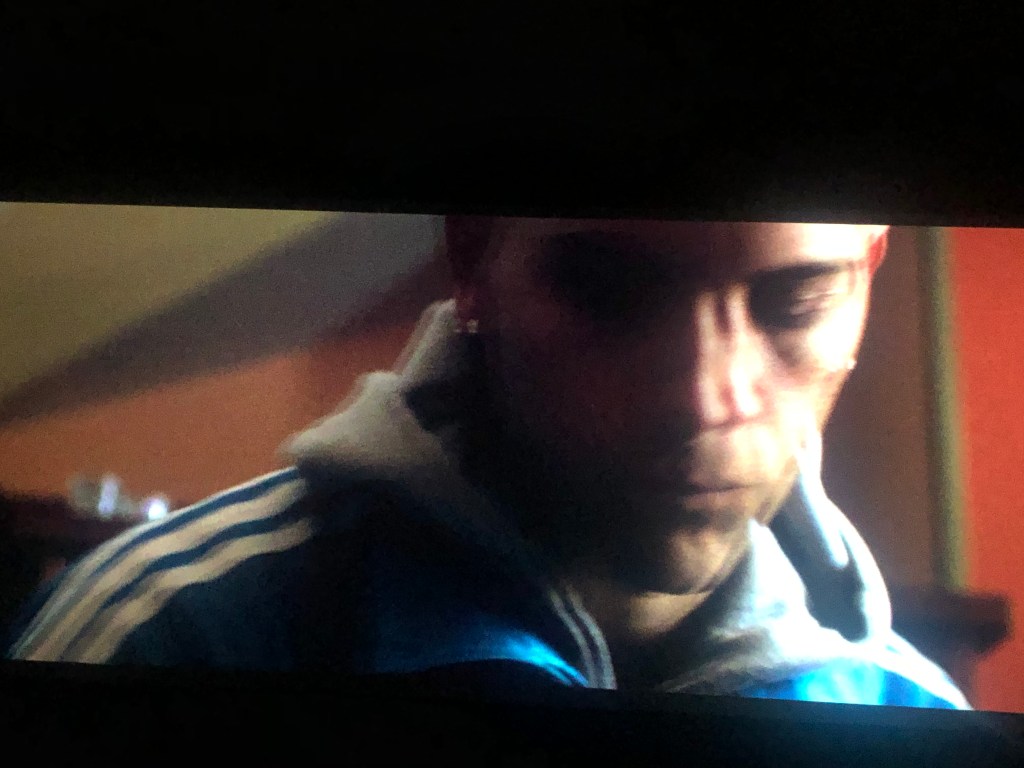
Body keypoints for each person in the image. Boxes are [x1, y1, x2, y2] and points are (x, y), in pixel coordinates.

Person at [4, 217, 968, 708]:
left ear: (868, 275)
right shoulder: (159, 635)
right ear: (473, 262)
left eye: (796, 301)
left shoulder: (919, 711)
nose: (703, 400)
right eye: (606, 288)